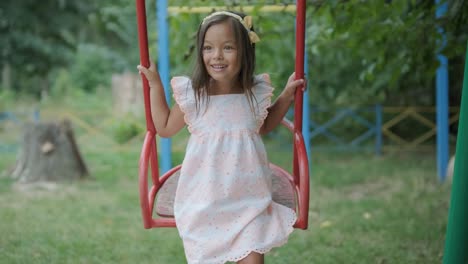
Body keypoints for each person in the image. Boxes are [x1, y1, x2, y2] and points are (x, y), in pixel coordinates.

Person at [137, 10, 305, 264]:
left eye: (228, 48)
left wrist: (286, 96)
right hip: (204, 199)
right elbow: (164, 128)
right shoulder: (194, 95)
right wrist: (155, 85)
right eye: (208, 48)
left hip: (249, 200)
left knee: (253, 260)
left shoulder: (254, 93)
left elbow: (265, 124)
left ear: (245, 51)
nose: (216, 56)